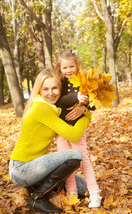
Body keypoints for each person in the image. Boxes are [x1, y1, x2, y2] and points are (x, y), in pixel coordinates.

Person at [9, 69, 91, 213]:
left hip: (36, 167)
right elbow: (73, 135)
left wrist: (82, 106)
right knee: (75, 155)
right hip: (21, 169)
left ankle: (34, 187)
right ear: (39, 90)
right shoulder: (42, 108)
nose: (51, 93)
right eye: (45, 89)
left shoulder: (54, 108)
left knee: (84, 188)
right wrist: (87, 115)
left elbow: (69, 114)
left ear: (60, 88)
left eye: (54, 88)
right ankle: (37, 198)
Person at [55, 50, 102, 208]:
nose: (68, 70)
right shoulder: (58, 82)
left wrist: (85, 104)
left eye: (71, 66)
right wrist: (76, 98)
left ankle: (95, 193)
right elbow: (58, 102)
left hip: (77, 127)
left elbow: (94, 104)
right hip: (61, 128)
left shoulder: (84, 81)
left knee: (83, 159)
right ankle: (72, 192)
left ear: (77, 65)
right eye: (64, 67)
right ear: (59, 68)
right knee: (66, 161)